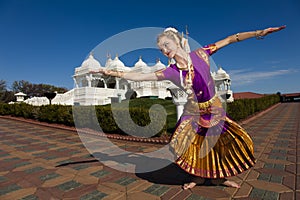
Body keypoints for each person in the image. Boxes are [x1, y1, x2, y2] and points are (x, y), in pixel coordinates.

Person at [92, 25, 286, 189]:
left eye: (166, 45)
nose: (165, 51)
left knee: (218, 142)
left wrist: (258, 33)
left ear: (178, 42)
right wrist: (108, 71)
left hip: (214, 108)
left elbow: (229, 39)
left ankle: (220, 177)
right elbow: (138, 76)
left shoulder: (202, 53)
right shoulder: (170, 71)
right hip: (194, 111)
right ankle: (198, 176)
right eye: (161, 49)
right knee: (191, 144)